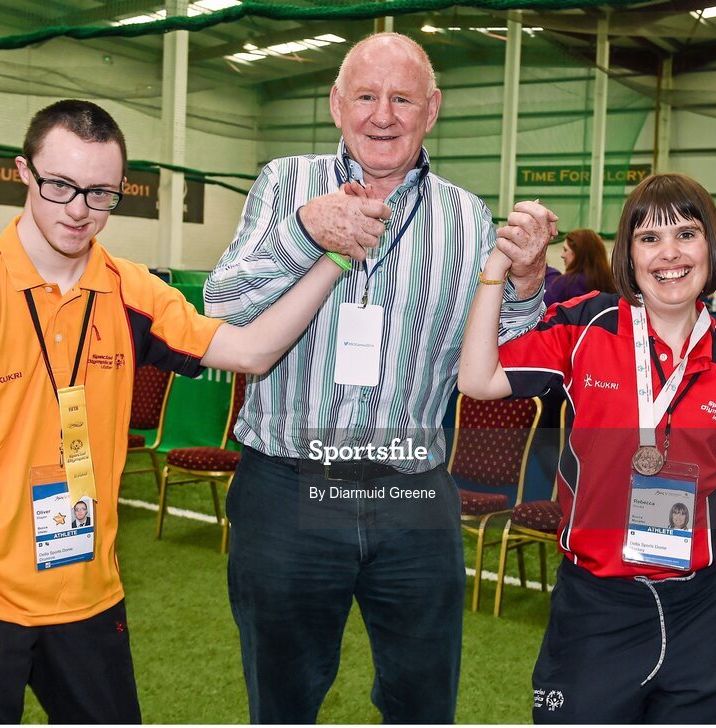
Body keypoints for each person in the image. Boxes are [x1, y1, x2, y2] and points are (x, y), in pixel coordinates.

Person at [0, 99, 344, 724]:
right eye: (60, 186)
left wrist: (335, 258)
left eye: (100, 194)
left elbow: (253, 351)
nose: (78, 209)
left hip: (88, 599)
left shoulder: (132, 290)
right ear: (24, 172)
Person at [204, 32, 550, 723]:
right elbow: (224, 310)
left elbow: (498, 356)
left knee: (422, 703)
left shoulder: (465, 217)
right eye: (366, 96)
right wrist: (304, 232)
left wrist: (529, 282)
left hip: (412, 494)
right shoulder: (284, 185)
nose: (382, 115)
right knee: (282, 701)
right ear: (337, 104)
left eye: (402, 98)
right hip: (287, 483)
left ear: (433, 110)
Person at [460, 173, 716, 723]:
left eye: (686, 233)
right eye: (648, 238)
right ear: (627, 253)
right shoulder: (586, 325)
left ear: (711, 245)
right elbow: (478, 378)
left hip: (714, 607)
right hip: (600, 606)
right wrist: (496, 271)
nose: (668, 253)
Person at [544, 228, 616, 306]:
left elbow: (543, 311)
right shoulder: (612, 284)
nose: (562, 255)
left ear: (578, 253)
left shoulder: (565, 284)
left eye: (565, 250)